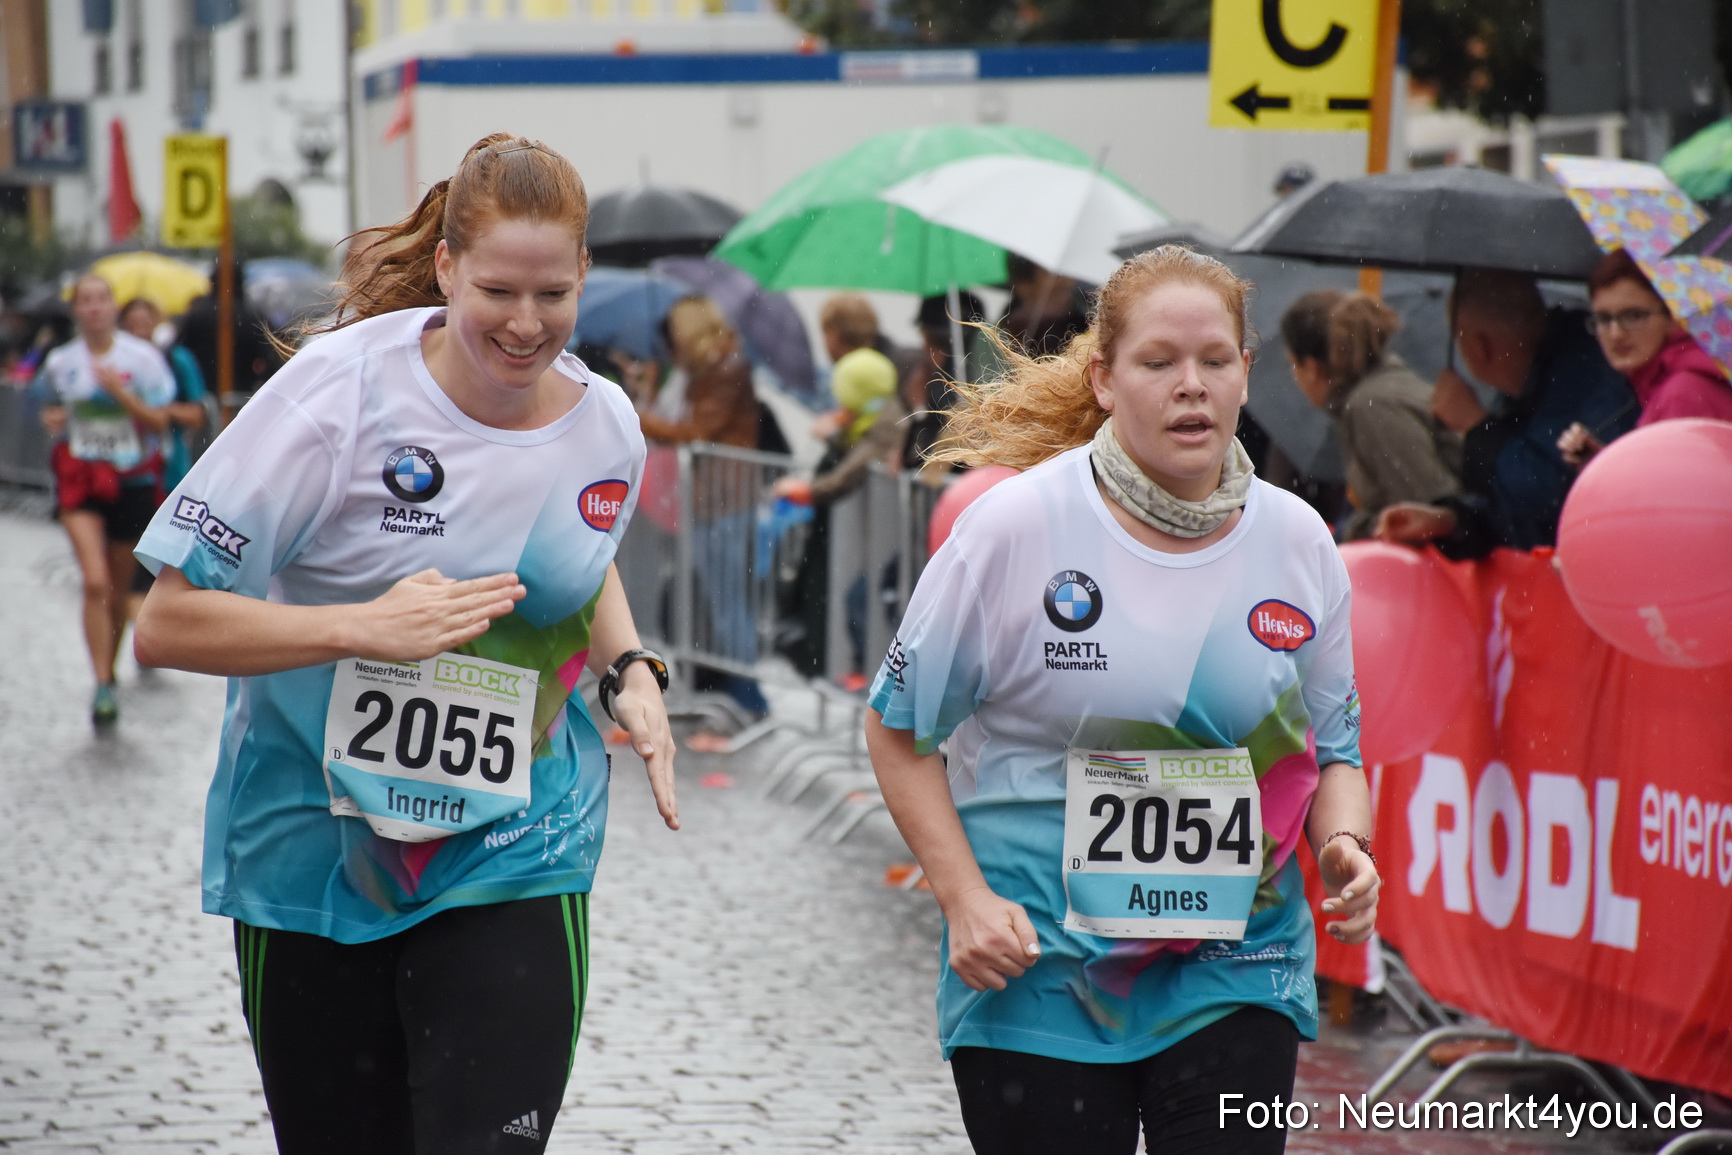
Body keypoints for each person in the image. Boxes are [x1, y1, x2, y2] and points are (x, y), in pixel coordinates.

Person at [131, 133, 679, 1155]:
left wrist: (629, 669)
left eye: (553, 295)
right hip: (314, 856)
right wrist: (362, 627)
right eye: (498, 292)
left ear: (583, 274)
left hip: (519, 846)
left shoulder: (605, 423)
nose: (526, 324)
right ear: (445, 266)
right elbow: (165, 621)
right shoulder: (336, 396)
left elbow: (577, 555)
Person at [864, 246, 1378, 1155]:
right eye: (1158, 362)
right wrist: (964, 899)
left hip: (1236, 967)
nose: (1192, 386)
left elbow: (1335, 751)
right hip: (1042, 970)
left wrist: (1345, 846)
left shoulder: (1298, 542)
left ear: (1245, 372)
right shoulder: (1017, 526)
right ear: (1103, 378)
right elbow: (896, 728)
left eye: (1215, 361)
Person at [1376, 268, 1635, 558]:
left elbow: (1553, 499)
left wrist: (1476, 425)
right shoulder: (1538, 380)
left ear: (1479, 346)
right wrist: (1452, 521)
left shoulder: (1586, 376)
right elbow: (1511, 512)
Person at [38, 273, 176, 726]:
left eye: (101, 299)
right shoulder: (61, 362)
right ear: (76, 309)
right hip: (82, 481)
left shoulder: (143, 359)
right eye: (86, 300)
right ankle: (100, 681)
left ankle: (108, 673)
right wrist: (53, 419)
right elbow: (48, 409)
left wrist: (119, 394)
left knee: (117, 590)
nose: (94, 308)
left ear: (113, 307)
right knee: (95, 582)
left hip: (132, 480)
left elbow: (160, 421)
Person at [634, 295, 770, 732]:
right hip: (717, 500)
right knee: (722, 602)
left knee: (728, 603)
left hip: (725, 500)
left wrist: (636, 416)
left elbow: (695, 431)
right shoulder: (717, 369)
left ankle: (750, 698)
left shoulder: (725, 371)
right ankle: (741, 693)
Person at [1280, 289, 1462, 540]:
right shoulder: (1382, 388)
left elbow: (1430, 510)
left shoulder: (1372, 407)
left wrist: (1359, 527)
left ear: (1310, 367)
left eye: (1292, 364)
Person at [774, 343, 902, 687]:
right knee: (861, 599)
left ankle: (873, 680)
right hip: (883, 542)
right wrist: (838, 435)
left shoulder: (885, 423)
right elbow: (857, 452)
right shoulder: (873, 417)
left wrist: (809, 491)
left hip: (893, 540)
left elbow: (852, 471)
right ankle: (866, 675)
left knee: (864, 602)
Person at [1558, 248, 1732, 464]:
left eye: (1634, 316)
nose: (1616, 333)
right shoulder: (1673, 380)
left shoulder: (1681, 394)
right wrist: (1598, 462)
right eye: (1603, 318)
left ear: (1673, 317)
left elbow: (1671, 484)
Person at [118, 297, 209, 489]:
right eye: (132, 326)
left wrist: (160, 410)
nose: (139, 332)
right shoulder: (114, 364)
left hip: (169, 467)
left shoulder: (177, 359)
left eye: (145, 324)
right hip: (122, 468)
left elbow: (197, 414)